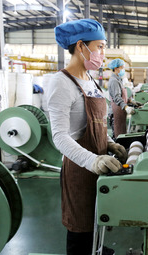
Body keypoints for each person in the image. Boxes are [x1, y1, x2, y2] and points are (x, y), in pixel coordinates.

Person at [47, 19, 127, 255]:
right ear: (81, 46)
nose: (103, 53)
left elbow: (94, 124)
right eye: (100, 46)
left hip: (99, 164)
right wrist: (93, 160)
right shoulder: (62, 83)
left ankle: (98, 249)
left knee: (98, 220)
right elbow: (60, 136)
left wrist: (109, 143)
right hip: (80, 169)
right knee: (80, 229)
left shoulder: (90, 80)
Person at [107, 58, 142, 139]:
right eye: (122, 68)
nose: (124, 70)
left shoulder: (118, 80)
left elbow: (122, 96)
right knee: (117, 137)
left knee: (121, 135)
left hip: (120, 111)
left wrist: (131, 102)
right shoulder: (114, 81)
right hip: (116, 112)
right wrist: (126, 107)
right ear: (116, 68)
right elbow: (117, 98)